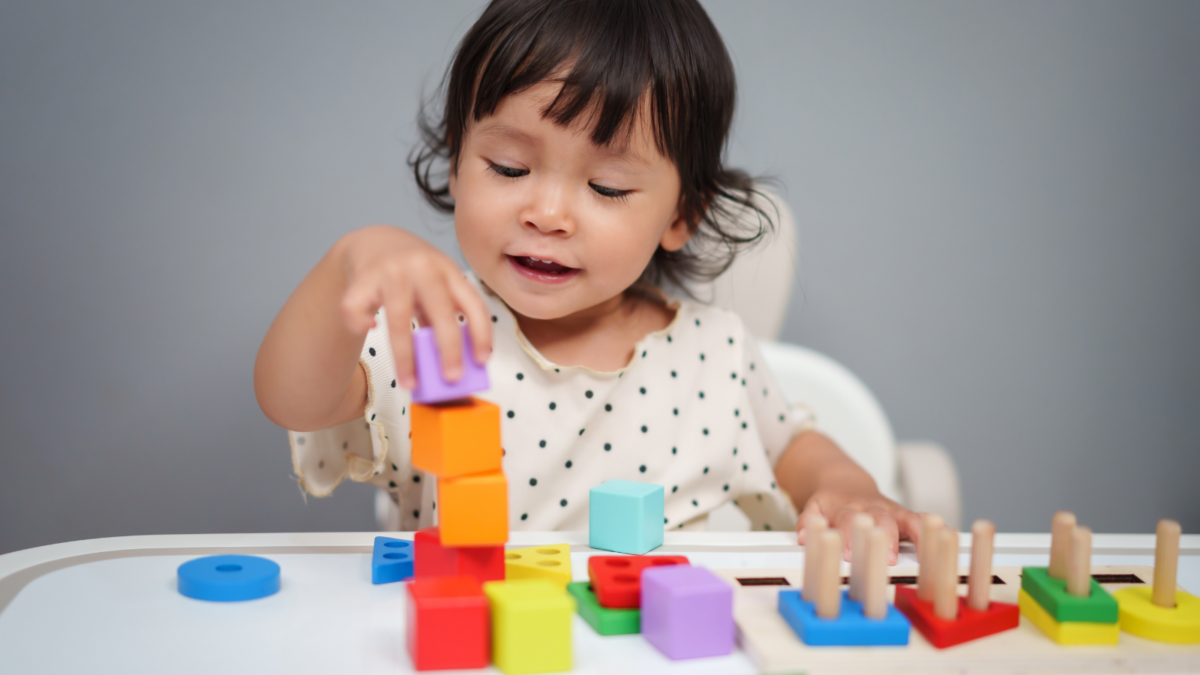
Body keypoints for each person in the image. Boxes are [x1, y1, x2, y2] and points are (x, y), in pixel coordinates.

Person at [254, 0, 922, 562]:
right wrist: (352, 257)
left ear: (682, 213)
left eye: (607, 185)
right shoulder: (433, 331)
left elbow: (796, 445)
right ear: (457, 163)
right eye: (510, 168)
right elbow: (295, 400)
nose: (546, 213)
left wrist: (846, 485)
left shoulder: (714, 354)